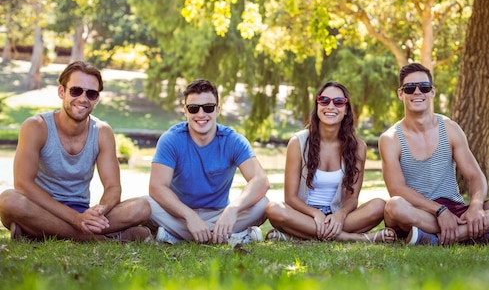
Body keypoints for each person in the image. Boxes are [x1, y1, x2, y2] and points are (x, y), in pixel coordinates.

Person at [0, 61, 151, 242]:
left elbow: (113, 187)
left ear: (97, 98)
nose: (83, 98)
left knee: (142, 207)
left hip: (82, 209)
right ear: (61, 92)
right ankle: (99, 239)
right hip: (42, 208)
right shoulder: (36, 126)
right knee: (8, 200)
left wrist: (98, 211)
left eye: (91, 93)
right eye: (76, 90)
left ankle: (36, 233)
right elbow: (23, 184)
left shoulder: (102, 132)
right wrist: (75, 219)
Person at [379, 63, 489, 246]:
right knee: (394, 206)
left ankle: (435, 239)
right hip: (419, 211)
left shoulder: (450, 128)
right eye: (409, 88)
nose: (417, 92)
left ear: (432, 92)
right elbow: (396, 189)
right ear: (401, 94)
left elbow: (475, 176)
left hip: (454, 209)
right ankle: (475, 234)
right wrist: (439, 211)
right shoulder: (390, 138)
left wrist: (476, 206)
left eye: (424, 87)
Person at [264, 81, 395, 243]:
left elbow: (352, 198)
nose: (331, 106)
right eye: (324, 101)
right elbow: (290, 198)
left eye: (338, 102)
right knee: (274, 209)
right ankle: (354, 238)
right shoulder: (298, 142)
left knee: (379, 206)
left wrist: (339, 215)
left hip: (337, 218)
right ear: (317, 106)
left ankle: (297, 235)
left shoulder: (358, 147)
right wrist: (316, 214)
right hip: (304, 215)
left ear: (346, 109)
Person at [147, 79, 269, 245]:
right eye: (193, 108)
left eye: (208, 107)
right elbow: (157, 187)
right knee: (145, 205)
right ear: (185, 111)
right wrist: (189, 216)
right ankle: (232, 235)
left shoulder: (233, 140)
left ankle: (176, 235)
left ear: (217, 110)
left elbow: (260, 180)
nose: (201, 114)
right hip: (179, 213)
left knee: (263, 203)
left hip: (219, 213)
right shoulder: (171, 139)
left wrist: (232, 210)